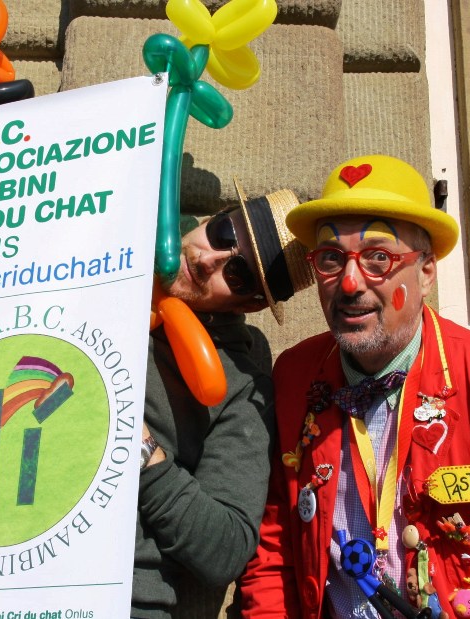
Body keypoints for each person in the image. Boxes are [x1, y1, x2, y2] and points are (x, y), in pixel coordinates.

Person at [239, 155, 470, 619]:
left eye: (378, 258)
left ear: (426, 272)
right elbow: (276, 552)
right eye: (331, 258)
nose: (349, 283)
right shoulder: (295, 376)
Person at [133, 182, 315, 618]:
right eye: (222, 233)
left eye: (237, 274)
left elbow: (226, 548)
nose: (207, 260)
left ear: (251, 305)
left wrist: (139, 448)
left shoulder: (244, 387)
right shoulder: (106, 257)